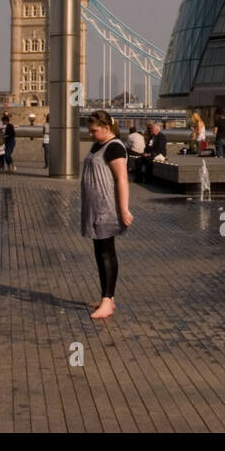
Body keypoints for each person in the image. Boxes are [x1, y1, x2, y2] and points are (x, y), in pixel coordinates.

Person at [80, 110, 133, 320]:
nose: (90, 134)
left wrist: (124, 209)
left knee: (106, 252)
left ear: (106, 128)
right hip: (95, 207)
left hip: (106, 207)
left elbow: (122, 179)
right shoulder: (98, 145)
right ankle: (106, 297)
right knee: (100, 251)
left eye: (93, 130)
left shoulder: (114, 147)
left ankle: (108, 299)